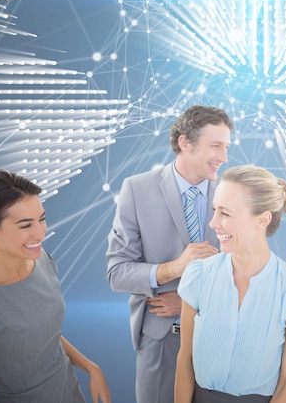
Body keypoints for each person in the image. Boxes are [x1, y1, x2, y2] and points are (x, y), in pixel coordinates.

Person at [106, 105, 233, 403]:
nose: (224, 157)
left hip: (221, 335)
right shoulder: (136, 190)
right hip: (162, 338)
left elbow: (247, 267)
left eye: (227, 147)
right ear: (185, 143)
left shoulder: (233, 192)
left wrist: (190, 301)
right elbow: (116, 272)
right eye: (216, 146)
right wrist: (173, 268)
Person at [175, 164, 286, 403]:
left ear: (263, 219)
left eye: (225, 213)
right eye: (214, 210)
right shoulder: (198, 276)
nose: (213, 223)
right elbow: (185, 359)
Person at [0, 169, 111, 403]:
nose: (41, 233)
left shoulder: (41, 259)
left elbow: (43, 332)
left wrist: (90, 367)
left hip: (67, 388)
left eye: (42, 219)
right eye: (25, 225)